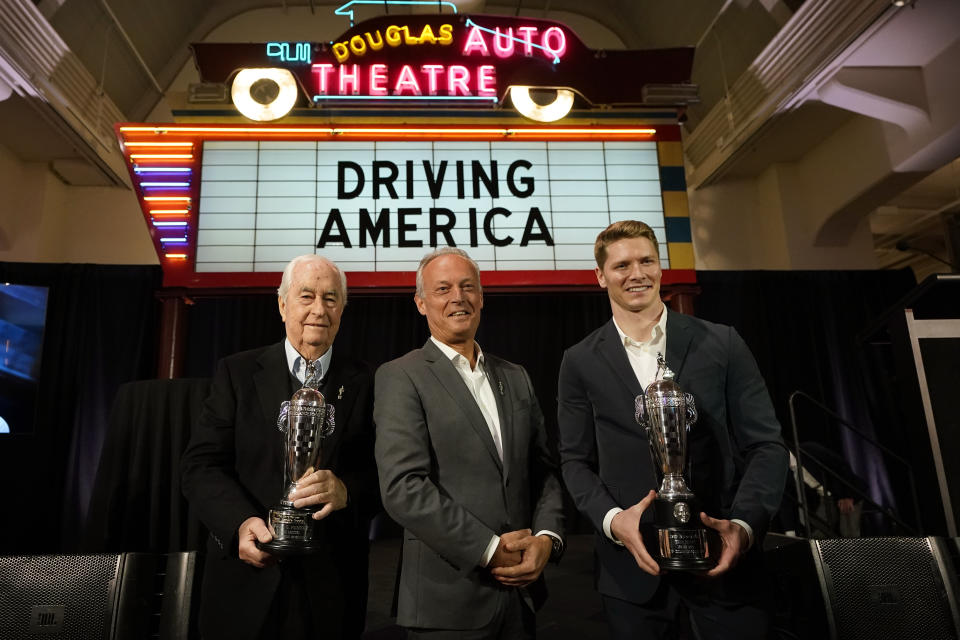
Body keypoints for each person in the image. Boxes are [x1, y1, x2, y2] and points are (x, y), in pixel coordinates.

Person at [557, 221, 789, 640]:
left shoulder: (723, 342)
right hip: (632, 573)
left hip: (725, 562)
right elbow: (575, 461)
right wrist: (613, 521)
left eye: (647, 260)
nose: (637, 274)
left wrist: (744, 525)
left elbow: (766, 446)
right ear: (600, 276)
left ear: (660, 267)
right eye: (622, 265)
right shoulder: (578, 361)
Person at [180, 254, 378, 640]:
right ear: (282, 303)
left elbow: (386, 475)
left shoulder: (370, 382)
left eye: (331, 298)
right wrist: (239, 522)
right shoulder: (236, 372)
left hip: (331, 588)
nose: (318, 310)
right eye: (307, 296)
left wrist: (347, 490)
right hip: (245, 581)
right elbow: (200, 466)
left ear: (343, 309)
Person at [374, 247, 565, 639]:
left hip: (522, 597)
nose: (458, 297)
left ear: (481, 296)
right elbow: (402, 488)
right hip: (445, 604)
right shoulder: (400, 376)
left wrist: (547, 539)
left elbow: (544, 470)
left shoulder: (516, 376)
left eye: (467, 287)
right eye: (442, 288)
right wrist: (490, 548)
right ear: (421, 303)